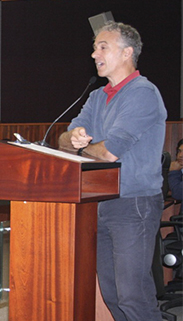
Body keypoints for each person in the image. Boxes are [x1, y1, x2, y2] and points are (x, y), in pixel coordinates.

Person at [57, 22, 166, 321]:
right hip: (100, 203)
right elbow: (64, 139)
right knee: (113, 295)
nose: (94, 53)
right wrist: (75, 137)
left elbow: (110, 151)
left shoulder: (142, 93)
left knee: (133, 296)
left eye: (103, 46)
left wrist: (79, 147)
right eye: (95, 47)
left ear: (127, 52)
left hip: (134, 204)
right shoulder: (97, 96)